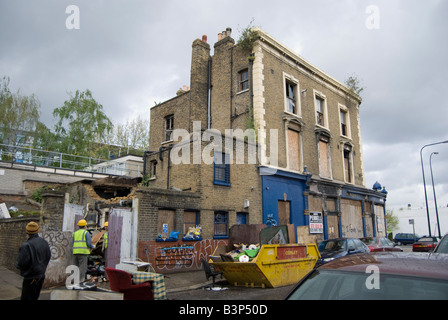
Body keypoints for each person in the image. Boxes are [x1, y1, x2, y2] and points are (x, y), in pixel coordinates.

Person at [16, 221, 51, 300]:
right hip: (41, 276)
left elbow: (21, 263)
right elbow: (48, 256)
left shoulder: (26, 245)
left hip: (30, 277)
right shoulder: (44, 242)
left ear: (27, 231)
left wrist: (18, 266)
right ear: (37, 230)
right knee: (35, 297)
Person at [73, 219, 95, 283]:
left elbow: (73, 242)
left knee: (76, 267)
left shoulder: (75, 233)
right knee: (82, 267)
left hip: (75, 252)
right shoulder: (86, 233)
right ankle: (80, 280)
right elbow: (88, 243)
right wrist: (93, 246)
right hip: (83, 252)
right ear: (85, 226)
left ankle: (74, 280)